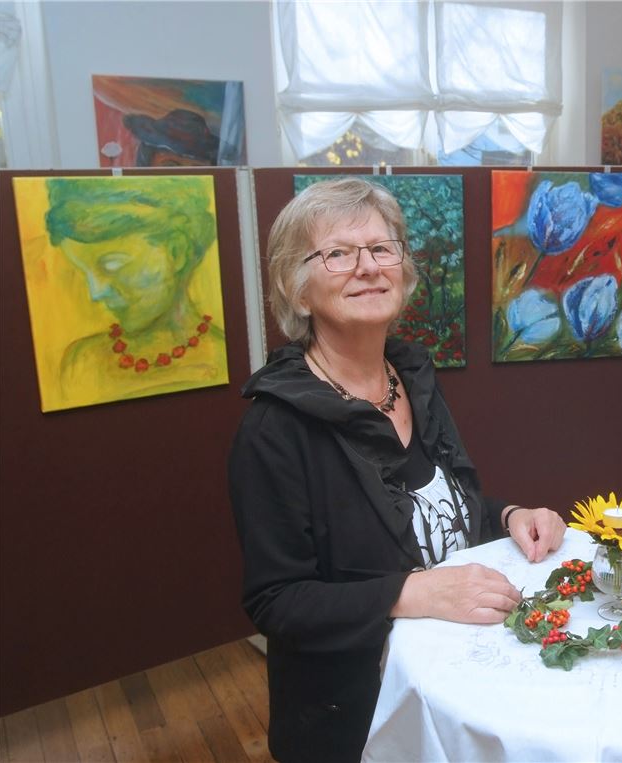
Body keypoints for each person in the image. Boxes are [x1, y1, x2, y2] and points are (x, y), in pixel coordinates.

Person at [228, 178, 566, 763]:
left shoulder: (411, 380)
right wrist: (413, 591)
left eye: (382, 249)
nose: (368, 267)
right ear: (298, 290)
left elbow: (442, 508)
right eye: (338, 253)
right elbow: (277, 601)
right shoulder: (274, 431)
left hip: (452, 685)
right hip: (357, 720)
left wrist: (510, 515)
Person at [44, 176, 226, 404]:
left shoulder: (224, 357)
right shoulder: (81, 364)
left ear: (176, 252)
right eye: (85, 272)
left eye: (112, 265)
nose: (96, 292)